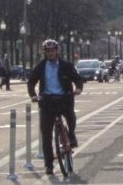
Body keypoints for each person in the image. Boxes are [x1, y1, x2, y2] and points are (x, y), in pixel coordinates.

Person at [27, 39, 83, 176]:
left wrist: (78, 88)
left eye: (53, 50)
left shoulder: (66, 66)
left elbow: (77, 78)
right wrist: (33, 95)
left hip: (64, 98)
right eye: (48, 51)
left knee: (71, 117)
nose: (51, 53)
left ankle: (71, 135)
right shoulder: (40, 66)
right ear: (45, 52)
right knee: (46, 135)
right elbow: (31, 82)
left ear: (57, 51)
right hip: (47, 101)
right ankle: (49, 165)